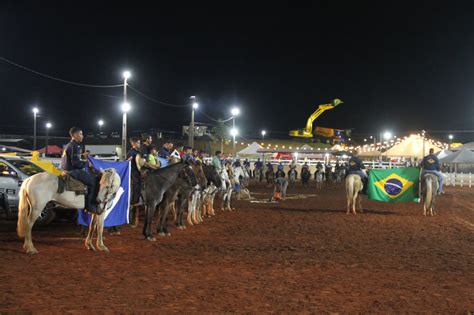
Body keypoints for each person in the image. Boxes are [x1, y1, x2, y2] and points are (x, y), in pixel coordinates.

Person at [60, 127, 98, 213]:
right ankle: (89, 206)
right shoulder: (74, 146)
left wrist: (82, 156)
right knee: (93, 182)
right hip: (72, 171)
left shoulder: (69, 145)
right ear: (75, 135)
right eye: (81, 134)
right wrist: (86, 163)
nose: (82, 136)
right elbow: (76, 164)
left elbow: (73, 159)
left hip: (65, 170)